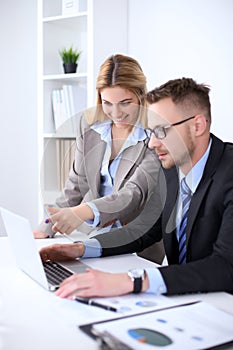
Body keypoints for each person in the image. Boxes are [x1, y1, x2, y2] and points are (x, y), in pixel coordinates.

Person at [40, 77, 233, 298]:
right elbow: (143, 230)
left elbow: (226, 266)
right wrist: (82, 248)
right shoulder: (171, 168)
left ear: (197, 125)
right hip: (186, 300)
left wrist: (131, 280)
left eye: (161, 131)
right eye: (151, 132)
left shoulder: (228, 173)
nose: (152, 143)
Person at [34, 54, 164, 263]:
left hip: (136, 248)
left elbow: (133, 194)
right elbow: (76, 184)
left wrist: (80, 212)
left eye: (125, 103)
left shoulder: (155, 133)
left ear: (140, 96)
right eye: (107, 103)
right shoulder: (90, 128)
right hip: (94, 238)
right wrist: (47, 226)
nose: (116, 112)